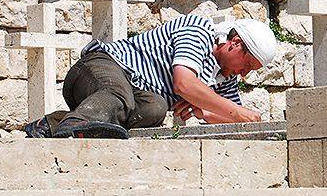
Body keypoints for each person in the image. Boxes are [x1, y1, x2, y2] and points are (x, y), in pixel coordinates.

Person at [24, 14, 277, 138]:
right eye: (247, 64)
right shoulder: (200, 31)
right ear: (234, 42)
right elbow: (184, 83)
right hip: (101, 67)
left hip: (135, 95)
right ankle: (73, 127)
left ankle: (52, 125)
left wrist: (202, 110)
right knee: (117, 93)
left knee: (155, 108)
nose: (244, 74)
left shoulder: (226, 77)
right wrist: (233, 110)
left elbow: (231, 120)